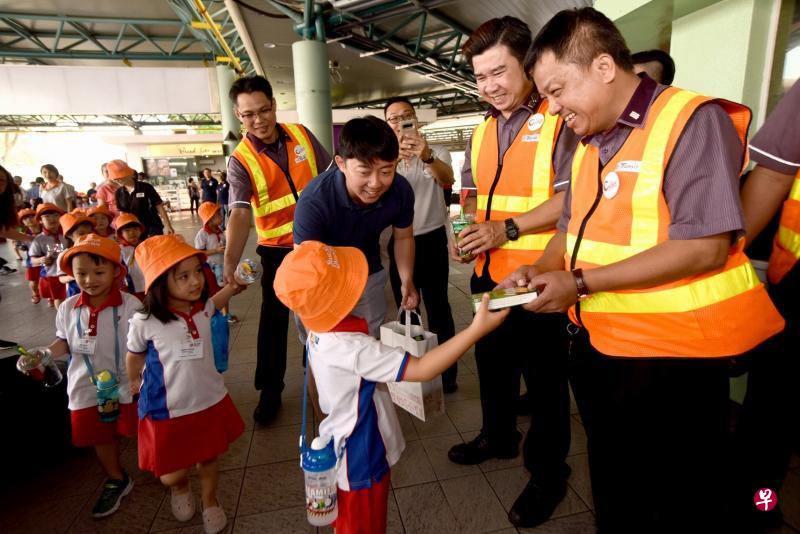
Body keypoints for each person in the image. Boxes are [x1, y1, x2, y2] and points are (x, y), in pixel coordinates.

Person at [510, 7, 784, 531]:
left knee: (680, 497)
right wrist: (537, 268)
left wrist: (581, 282)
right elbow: (571, 231)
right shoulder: (590, 145)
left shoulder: (691, 120)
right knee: (616, 484)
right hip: (599, 348)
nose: (551, 107)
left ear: (605, 67)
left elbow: (704, 245)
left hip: (673, 361)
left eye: (557, 89)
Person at [273, 241, 508, 533]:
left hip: (339, 444)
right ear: (337, 302)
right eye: (348, 282)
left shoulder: (316, 331)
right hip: (363, 458)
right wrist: (476, 330)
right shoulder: (354, 349)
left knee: (348, 523)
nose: (358, 283)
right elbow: (422, 369)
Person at [445, 16, 579, 528]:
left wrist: (508, 230)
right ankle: (497, 436)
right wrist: (464, 232)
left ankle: (548, 474)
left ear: (527, 64)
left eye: (499, 72)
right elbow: (470, 194)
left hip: (539, 276)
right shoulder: (481, 129)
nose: (490, 86)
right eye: (480, 77)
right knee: (494, 364)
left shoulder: (561, 119)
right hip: (488, 273)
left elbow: (573, 197)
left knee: (546, 384)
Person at [222, 74, 331, 425]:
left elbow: (332, 178)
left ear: (273, 105)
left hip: (317, 243)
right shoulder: (240, 160)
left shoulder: (301, 134)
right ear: (239, 117)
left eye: (264, 110)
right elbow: (239, 211)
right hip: (276, 252)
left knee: (319, 316)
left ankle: (320, 378)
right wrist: (230, 259)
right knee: (273, 323)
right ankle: (270, 391)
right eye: (249, 115)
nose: (259, 120)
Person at [125, 235, 246, 533]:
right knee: (169, 471)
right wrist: (132, 381)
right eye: (183, 276)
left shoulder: (201, 308)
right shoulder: (144, 320)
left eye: (196, 272)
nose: (196, 282)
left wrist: (233, 287)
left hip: (207, 399)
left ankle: (210, 501)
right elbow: (134, 354)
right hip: (166, 405)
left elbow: (214, 304)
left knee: (208, 457)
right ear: (159, 282)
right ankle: (179, 488)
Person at [736, 79, 800, 529]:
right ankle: (759, 502)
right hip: (798, 286)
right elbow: (774, 174)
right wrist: (718, 257)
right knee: (772, 415)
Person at [294, 116, 420, 336]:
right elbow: (305, 263)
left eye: (386, 171)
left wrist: (406, 279)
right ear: (341, 163)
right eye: (364, 172)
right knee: (322, 346)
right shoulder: (316, 199)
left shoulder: (400, 191)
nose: (375, 183)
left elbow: (403, 237)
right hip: (319, 278)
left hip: (366, 273)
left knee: (368, 340)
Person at [46, 234, 139, 517]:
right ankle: (117, 478)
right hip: (86, 385)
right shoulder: (68, 307)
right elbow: (63, 341)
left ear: (116, 271)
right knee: (99, 434)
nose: (89, 280)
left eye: (99, 272)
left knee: (139, 426)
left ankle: (165, 466)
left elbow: (145, 343)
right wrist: (46, 354)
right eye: (81, 273)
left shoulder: (131, 306)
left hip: (128, 381)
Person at [383, 96, 459, 392]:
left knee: (439, 307)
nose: (400, 122)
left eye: (406, 115)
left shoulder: (436, 150)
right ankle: (409, 371)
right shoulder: (386, 157)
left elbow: (447, 179)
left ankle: (448, 374)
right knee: (406, 307)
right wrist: (394, 161)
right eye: (393, 118)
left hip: (432, 239)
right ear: (387, 125)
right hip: (399, 242)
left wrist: (426, 156)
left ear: (416, 118)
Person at [195, 202, 237, 323]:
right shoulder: (202, 234)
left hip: (223, 265)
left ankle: (225, 314)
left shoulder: (219, 230)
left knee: (224, 290)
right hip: (211, 268)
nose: (221, 215)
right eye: (218, 214)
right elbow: (199, 253)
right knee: (212, 292)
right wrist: (215, 250)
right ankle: (211, 314)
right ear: (210, 218)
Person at [110, 160, 174, 237]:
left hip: (152, 226)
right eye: (115, 179)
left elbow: (159, 206)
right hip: (134, 230)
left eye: (119, 177)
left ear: (128, 175)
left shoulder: (146, 187)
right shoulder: (119, 192)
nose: (117, 180)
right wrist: (121, 229)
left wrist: (168, 225)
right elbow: (122, 213)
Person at [29, 202, 69, 309]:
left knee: (71, 296)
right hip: (53, 274)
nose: (52, 219)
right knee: (59, 298)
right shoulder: (39, 239)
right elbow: (32, 260)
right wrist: (41, 259)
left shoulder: (66, 234)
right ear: (40, 221)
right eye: (47, 216)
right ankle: (62, 320)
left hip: (68, 272)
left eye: (56, 215)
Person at [57, 212, 96, 298]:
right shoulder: (64, 255)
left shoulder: (98, 250)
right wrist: (73, 276)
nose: (87, 236)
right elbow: (61, 279)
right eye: (81, 233)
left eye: (89, 232)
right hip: (76, 293)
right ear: (69, 235)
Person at [114, 213, 146, 300]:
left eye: (135, 229)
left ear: (140, 231)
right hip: (132, 287)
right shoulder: (120, 250)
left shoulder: (145, 245)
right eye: (127, 230)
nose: (132, 233)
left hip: (148, 284)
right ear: (121, 234)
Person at [17, 208, 42, 303]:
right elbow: (19, 245)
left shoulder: (45, 229)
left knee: (50, 278)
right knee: (33, 280)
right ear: (23, 223)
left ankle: (51, 295)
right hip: (32, 260)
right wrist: (21, 245)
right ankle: (35, 293)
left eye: (32, 216)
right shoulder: (23, 234)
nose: (30, 219)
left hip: (47, 258)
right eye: (26, 218)